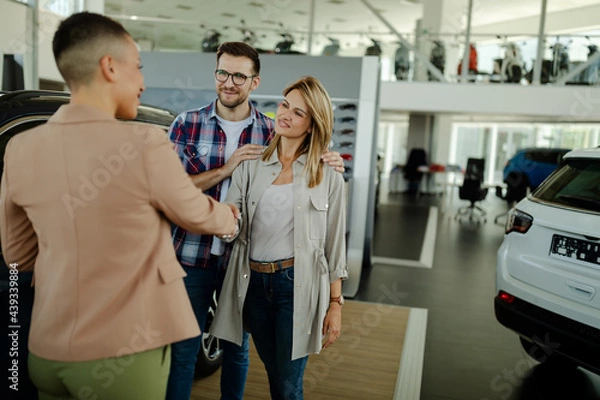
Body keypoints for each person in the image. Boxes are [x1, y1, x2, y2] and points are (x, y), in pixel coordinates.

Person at [0, 12, 239, 400]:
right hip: (123, 355)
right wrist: (229, 217)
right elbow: (193, 211)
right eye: (138, 68)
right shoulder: (144, 144)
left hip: (46, 350)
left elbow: (18, 255)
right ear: (109, 67)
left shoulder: (20, 149)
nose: (143, 83)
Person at [166, 42, 344, 400]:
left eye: (238, 76)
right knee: (184, 352)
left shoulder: (270, 131)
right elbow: (168, 190)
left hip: (246, 266)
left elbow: (328, 230)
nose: (228, 82)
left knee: (239, 351)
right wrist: (226, 170)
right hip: (194, 255)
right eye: (222, 73)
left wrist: (330, 160)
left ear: (254, 81)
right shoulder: (187, 124)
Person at [211, 76, 348, 400]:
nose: (285, 114)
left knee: (288, 385)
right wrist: (218, 219)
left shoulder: (327, 174)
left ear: (313, 124)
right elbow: (232, 216)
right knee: (275, 374)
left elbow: (334, 244)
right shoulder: (252, 166)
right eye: (285, 105)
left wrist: (335, 304)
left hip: (296, 285)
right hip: (254, 286)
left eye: (298, 113)